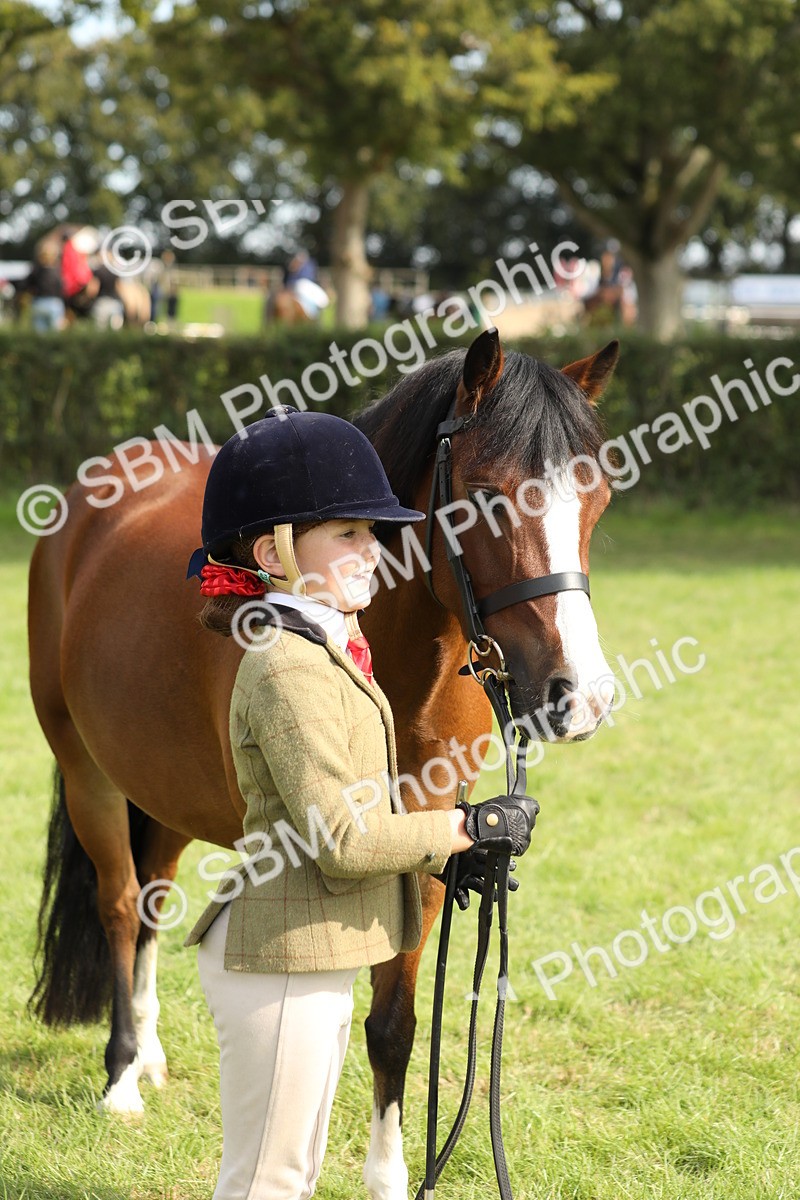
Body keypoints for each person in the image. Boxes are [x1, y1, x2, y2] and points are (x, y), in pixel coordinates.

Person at [183, 406, 485, 1200]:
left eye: (372, 533)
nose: (372, 551)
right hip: (281, 957)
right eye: (347, 533)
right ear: (273, 553)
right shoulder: (289, 666)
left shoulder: (322, 645)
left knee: (293, 1174)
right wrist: (462, 826)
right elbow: (343, 840)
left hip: (308, 948)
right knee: (269, 1183)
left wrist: (455, 852)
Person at [21, 241, 65, 332]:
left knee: (40, 335)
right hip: (55, 303)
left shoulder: (35, 270)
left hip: (39, 303)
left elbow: (26, 285)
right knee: (55, 335)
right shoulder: (58, 270)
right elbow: (62, 287)